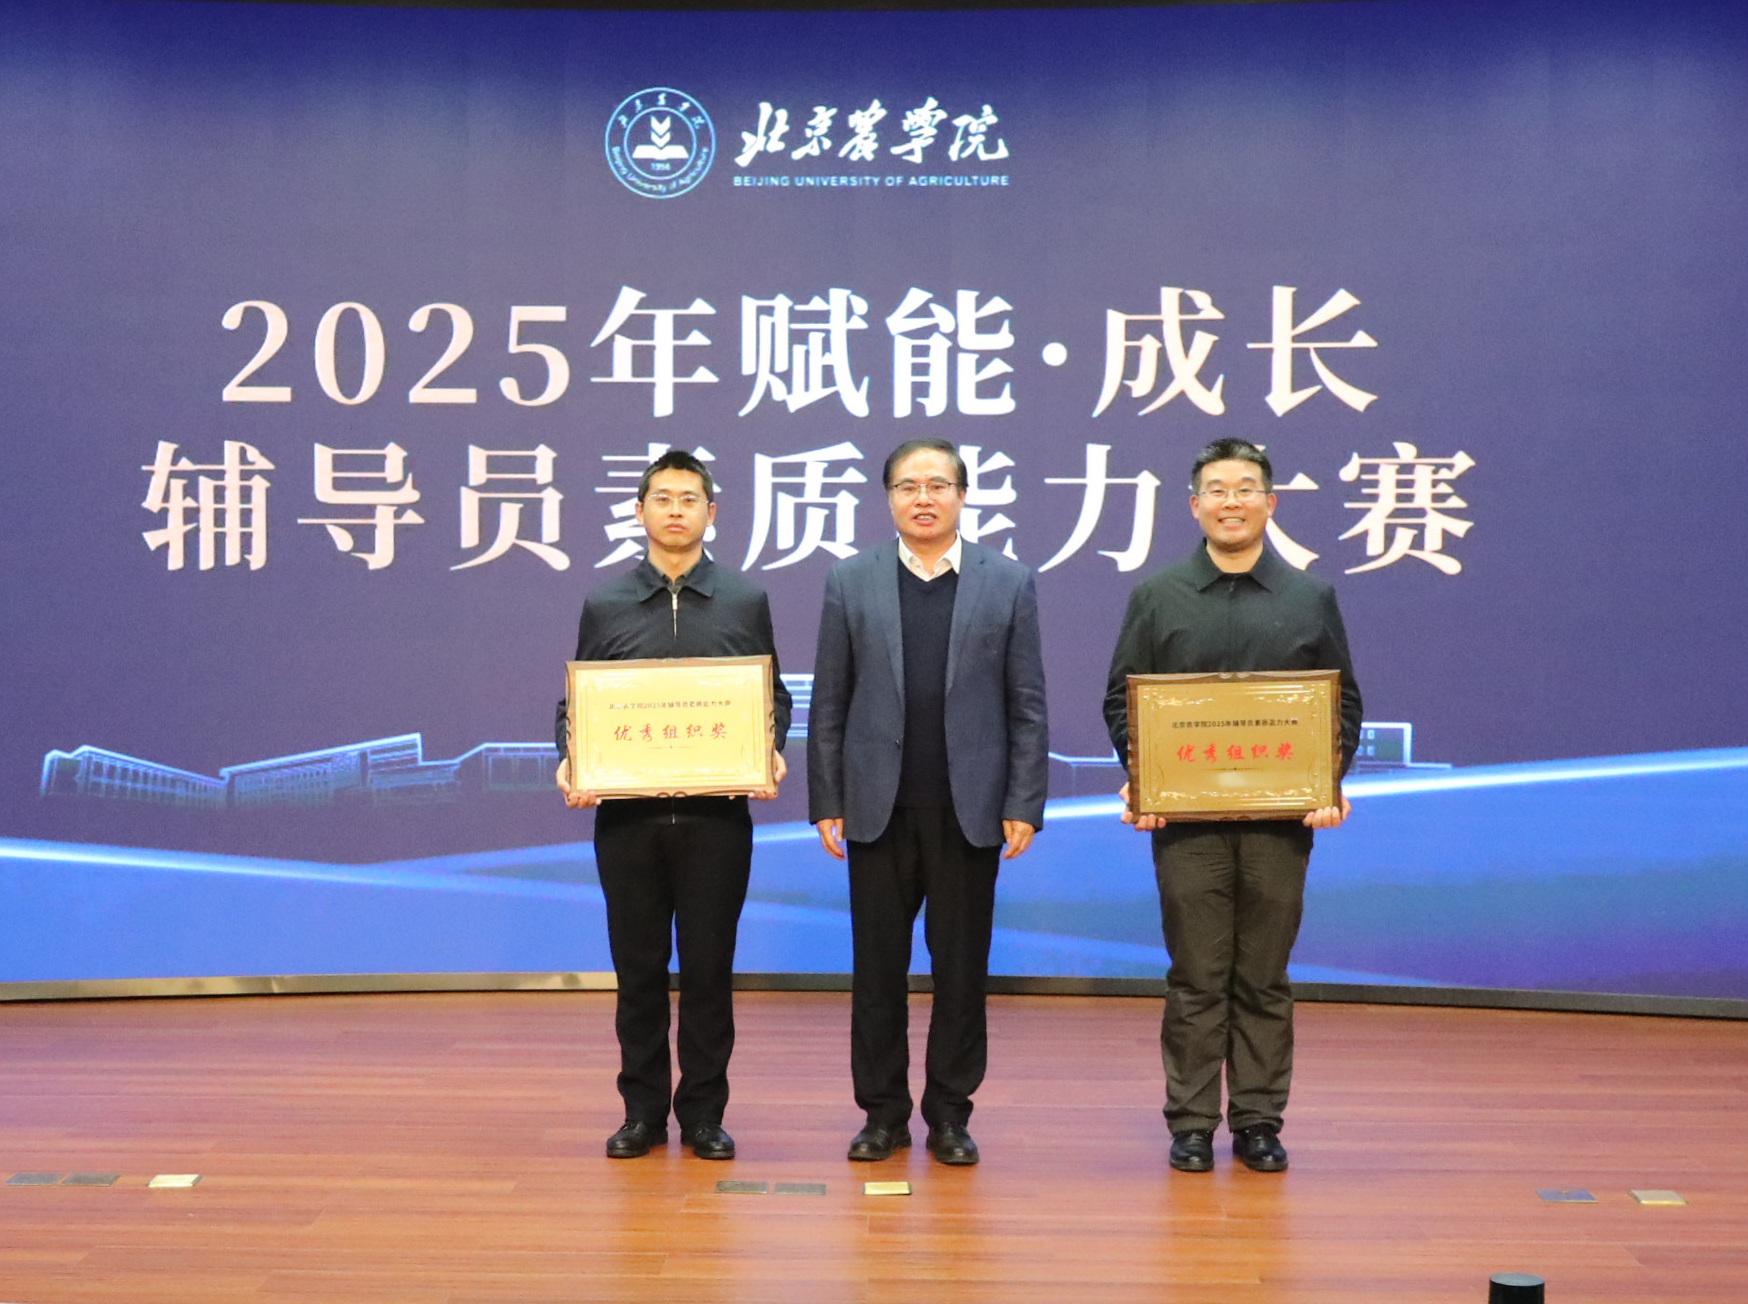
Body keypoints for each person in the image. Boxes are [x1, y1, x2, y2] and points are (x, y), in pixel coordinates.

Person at [1103, 437, 1361, 1175]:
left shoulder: (1309, 597)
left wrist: (1326, 782)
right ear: (1195, 506)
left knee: (1264, 976)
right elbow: (1123, 701)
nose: (1231, 502)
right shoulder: (1158, 597)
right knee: (1196, 975)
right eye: (1217, 490)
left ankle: (1258, 1121)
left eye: (1246, 488)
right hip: (1186, 826)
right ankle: (1190, 1123)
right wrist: (1144, 778)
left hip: (1281, 823)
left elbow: (1342, 705)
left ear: (1269, 503)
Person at [808, 438, 1048, 1167]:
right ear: (888, 497)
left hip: (968, 811)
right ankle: (881, 1115)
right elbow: (830, 700)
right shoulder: (851, 580)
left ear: (962, 496)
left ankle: (949, 1114)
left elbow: (1026, 704)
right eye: (908, 485)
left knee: (961, 973)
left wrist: (1023, 801)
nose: (923, 497)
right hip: (877, 808)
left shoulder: (1008, 582)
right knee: (876, 972)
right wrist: (827, 797)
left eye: (938, 484)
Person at [554, 449, 791, 1162]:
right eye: (662, 498)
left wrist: (769, 746)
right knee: (639, 973)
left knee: (710, 972)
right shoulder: (606, 603)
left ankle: (705, 1116)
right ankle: (642, 1113)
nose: (676, 510)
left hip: (717, 821)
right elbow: (578, 704)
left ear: (711, 513)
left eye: (690, 499)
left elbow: (772, 696)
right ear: (640, 511)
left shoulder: (745, 599)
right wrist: (572, 757)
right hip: (628, 823)